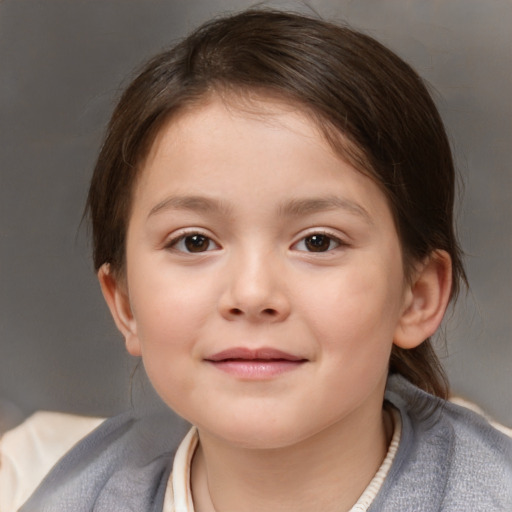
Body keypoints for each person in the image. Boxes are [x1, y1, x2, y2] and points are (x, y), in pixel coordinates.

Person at [3, 8, 511, 511]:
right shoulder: (53, 489)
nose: (251, 294)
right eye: (195, 242)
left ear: (416, 297)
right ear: (125, 303)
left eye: (318, 242)